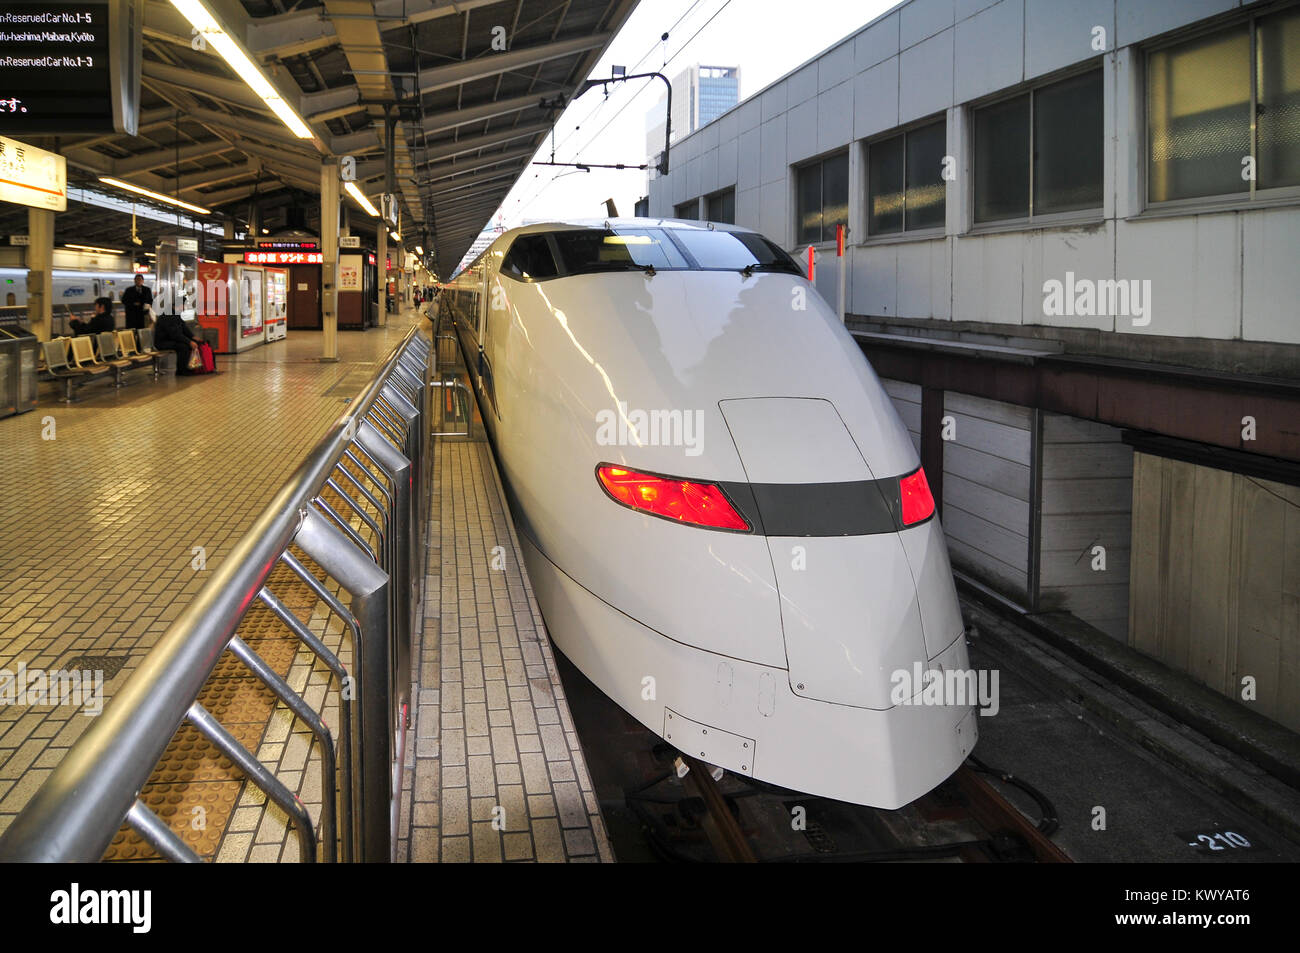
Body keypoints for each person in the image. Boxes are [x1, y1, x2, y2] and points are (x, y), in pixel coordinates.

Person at [153, 311, 200, 375]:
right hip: (162, 342)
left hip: (171, 339)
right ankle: (181, 371)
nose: (183, 308)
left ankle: (191, 367)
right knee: (183, 346)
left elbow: (184, 327)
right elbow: (175, 334)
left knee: (193, 343)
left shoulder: (176, 315)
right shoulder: (167, 316)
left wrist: (193, 337)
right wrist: (189, 342)